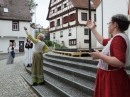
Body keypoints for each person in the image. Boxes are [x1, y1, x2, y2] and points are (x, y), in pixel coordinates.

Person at [86, 14, 130, 97]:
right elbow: (102, 40)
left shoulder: (118, 39)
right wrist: (92, 28)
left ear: (115, 25)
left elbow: (120, 61)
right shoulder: (118, 38)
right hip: (111, 75)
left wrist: (100, 55)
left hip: (112, 77)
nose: (108, 25)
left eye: (109, 23)